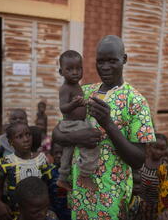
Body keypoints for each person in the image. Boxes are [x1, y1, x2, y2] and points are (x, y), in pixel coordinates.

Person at [52, 35, 156, 219]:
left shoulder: (136, 101)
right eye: (100, 61)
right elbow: (58, 133)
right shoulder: (84, 91)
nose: (105, 67)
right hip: (79, 191)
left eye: (112, 61)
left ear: (124, 59)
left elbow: (138, 160)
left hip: (111, 195)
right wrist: (76, 138)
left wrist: (108, 124)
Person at [56, 50, 98, 191]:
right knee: (90, 144)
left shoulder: (77, 86)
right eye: (70, 69)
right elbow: (63, 108)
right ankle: (85, 174)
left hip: (76, 123)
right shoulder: (65, 88)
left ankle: (62, 178)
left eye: (78, 68)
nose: (75, 72)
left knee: (67, 151)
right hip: (72, 124)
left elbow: (79, 103)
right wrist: (74, 104)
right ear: (61, 72)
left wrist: (86, 103)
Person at [0, 122, 52, 220]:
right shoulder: (6, 162)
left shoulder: (42, 159)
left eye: (28, 134)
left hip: (37, 212)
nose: (26, 139)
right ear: (10, 141)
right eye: (19, 137)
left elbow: (46, 185)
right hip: (14, 212)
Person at [140, 133, 168, 220]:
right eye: (155, 147)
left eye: (162, 149)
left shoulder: (165, 167)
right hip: (141, 201)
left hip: (156, 204)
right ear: (150, 146)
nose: (158, 151)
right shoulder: (142, 161)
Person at [47, 143, 71, 220]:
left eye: (62, 153)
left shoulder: (71, 171)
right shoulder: (48, 172)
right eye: (56, 153)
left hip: (70, 210)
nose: (59, 155)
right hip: (54, 211)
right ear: (51, 153)